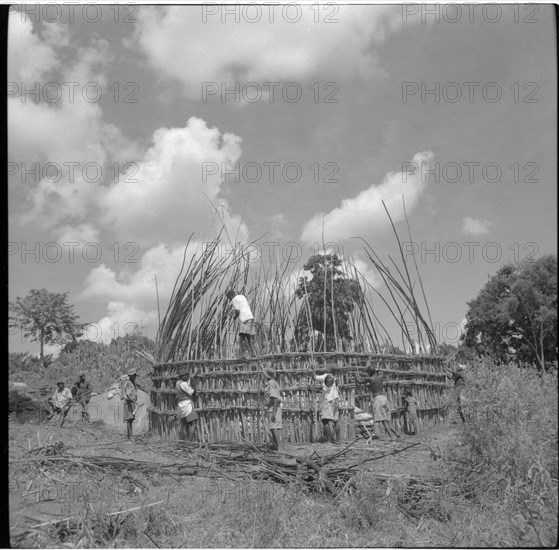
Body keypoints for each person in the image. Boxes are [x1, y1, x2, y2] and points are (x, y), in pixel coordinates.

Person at [355, 365, 400, 439]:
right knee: (385, 419)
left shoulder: (370, 378)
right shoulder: (379, 378)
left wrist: (357, 376)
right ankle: (395, 432)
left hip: (378, 400)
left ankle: (392, 436)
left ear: (369, 372)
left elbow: (360, 381)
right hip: (384, 398)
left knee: (382, 420)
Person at [312, 365, 341, 444]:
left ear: (328, 370)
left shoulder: (326, 376)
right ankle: (338, 440)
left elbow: (314, 377)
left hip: (328, 400)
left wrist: (313, 369)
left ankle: (329, 440)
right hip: (335, 400)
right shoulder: (335, 378)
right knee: (336, 421)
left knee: (325, 421)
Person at [226, 290, 256, 357]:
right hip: (250, 317)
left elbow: (237, 311)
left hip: (243, 319)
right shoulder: (242, 296)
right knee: (249, 337)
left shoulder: (234, 300)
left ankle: (244, 354)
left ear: (231, 296)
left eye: (229, 298)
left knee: (242, 337)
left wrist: (234, 317)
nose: (230, 299)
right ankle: (253, 353)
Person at [262, 368, 282, 451]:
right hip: (273, 407)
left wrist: (273, 413)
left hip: (274, 408)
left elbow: (275, 398)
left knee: (274, 428)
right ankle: (277, 446)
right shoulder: (271, 383)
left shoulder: (271, 383)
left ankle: (280, 447)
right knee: (272, 428)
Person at [175, 370, 198, 442]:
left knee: (184, 425)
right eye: (186, 375)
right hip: (187, 405)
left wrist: (190, 380)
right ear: (182, 376)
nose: (187, 376)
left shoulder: (177, 383)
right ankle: (189, 443)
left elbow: (186, 385)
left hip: (181, 405)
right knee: (193, 424)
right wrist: (194, 385)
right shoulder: (184, 384)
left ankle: (186, 442)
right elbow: (192, 392)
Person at [121, 369, 139, 439]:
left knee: (131, 419)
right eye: (133, 375)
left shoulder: (132, 383)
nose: (134, 377)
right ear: (130, 376)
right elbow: (128, 395)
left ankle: (129, 435)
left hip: (131, 403)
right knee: (129, 419)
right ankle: (130, 436)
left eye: (135, 375)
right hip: (129, 403)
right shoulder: (128, 383)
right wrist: (135, 402)